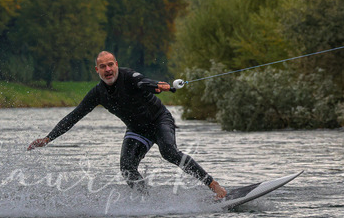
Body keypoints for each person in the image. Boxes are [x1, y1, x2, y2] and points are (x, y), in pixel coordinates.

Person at [28, 51, 227, 198]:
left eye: (110, 65)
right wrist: (48, 138)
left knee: (169, 152)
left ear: (116, 64)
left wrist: (157, 86)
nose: (108, 70)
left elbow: (142, 82)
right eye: (103, 67)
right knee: (127, 167)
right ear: (97, 70)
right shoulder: (97, 94)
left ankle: (214, 185)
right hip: (137, 130)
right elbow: (74, 116)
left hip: (159, 120)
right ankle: (145, 200)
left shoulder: (128, 76)